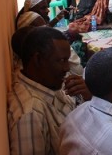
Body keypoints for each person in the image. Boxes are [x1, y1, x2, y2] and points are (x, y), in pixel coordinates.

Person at [7, 27, 92, 155]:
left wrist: (87, 96)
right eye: (61, 60)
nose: (67, 67)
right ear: (38, 60)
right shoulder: (30, 114)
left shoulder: (48, 81)